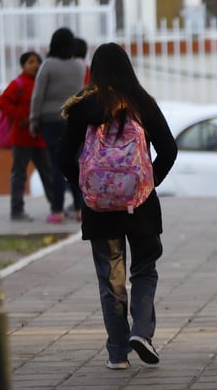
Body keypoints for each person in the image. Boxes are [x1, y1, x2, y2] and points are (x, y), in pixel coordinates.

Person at [56, 42, 178, 370]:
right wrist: (148, 183)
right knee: (145, 268)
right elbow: (169, 149)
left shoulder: (83, 107)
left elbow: (63, 157)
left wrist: (84, 187)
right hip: (141, 207)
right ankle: (141, 332)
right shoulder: (141, 102)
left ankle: (117, 353)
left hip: (99, 207)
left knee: (111, 278)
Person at [29, 27, 86, 223]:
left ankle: (57, 210)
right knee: (76, 163)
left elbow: (38, 95)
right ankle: (80, 209)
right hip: (74, 119)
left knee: (56, 165)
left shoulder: (48, 66)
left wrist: (33, 120)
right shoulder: (79, 66)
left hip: (50, 121)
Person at [0, 51, 55, 221]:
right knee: (19, 175)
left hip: (39, 137)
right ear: (23, 66)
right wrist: (20, 116)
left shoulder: (43, 83)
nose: (35, 65)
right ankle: (17, 210)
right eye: (30, 62)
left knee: (47, 173)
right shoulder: (18, 84)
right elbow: (2, 102)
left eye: (37, 62)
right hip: (22, 138)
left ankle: (55, 206)